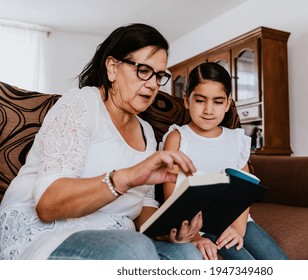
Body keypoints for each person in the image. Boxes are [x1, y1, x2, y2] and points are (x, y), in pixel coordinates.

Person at [0, 23, 203, 260]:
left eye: (159, 76)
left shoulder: (147, 133)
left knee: (187, 254)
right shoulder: (81, 104)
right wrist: (126, 177)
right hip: (51, 233)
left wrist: (169, 230)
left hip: (118, 235)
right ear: (113, 68)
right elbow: (48, 205)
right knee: (133, 248)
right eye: (143, 70)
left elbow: (144, 206)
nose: (153, 84)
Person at [161, 62, 288, 260]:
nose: (209, 110)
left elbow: (244, 188)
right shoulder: (177, 138)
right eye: (201, 100)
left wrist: (238, 228)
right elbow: (170, 196)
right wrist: (193, 236)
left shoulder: (236, 139)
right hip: (201, 226)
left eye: (218, 102)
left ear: (228, 103)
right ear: (187, 100)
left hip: (238, 220)